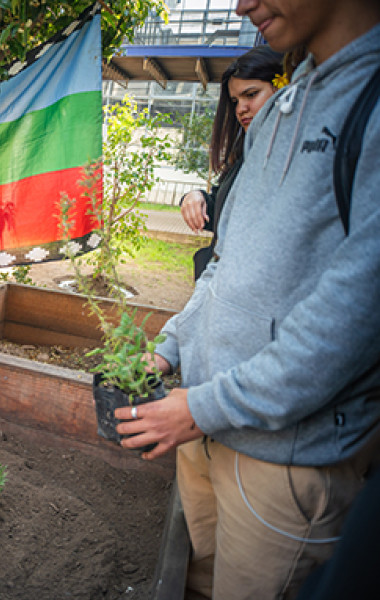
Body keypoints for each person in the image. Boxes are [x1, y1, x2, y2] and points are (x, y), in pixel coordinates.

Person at [114, 1, 380, 598]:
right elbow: (222, 266)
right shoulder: (282, 109)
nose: (241, 5)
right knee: (194, 579)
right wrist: (169, 347)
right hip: (205, 427)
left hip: (281, 461)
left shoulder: (369, 103)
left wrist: (201, 407)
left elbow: (350, 324)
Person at [178, 46, 283, 280]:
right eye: (235, 100)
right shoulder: (247, 153)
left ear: (282, 89)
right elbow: (227, 215)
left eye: (251, 94)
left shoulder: (294, 158)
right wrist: (197, 198)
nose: (240, 109)